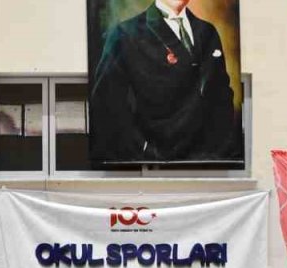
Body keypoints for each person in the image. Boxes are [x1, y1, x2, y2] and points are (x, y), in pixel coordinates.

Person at [89, 0, 238, 163]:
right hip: (153, 164)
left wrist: (217, 150)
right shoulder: (124, 35)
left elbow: (222, 97)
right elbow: (107, 106)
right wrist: (144, 151)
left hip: (208, 162)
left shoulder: (208, 31)